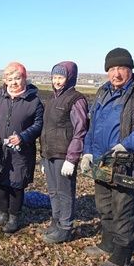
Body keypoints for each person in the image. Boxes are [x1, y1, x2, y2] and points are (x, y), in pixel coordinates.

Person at [80, 48, 134, 266]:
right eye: (111, 69)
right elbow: (92, 126)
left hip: (126, 160)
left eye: (121, 68)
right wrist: (88, 152)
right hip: (101, 160)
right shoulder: (102, 92)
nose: (116, 73)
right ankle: (108, 242)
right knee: (104, 205)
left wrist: (127, 144)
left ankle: (122, 254)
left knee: (122, 208)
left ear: (130, 69)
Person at [0, 61, 44, 233]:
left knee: (16, 184)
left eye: (17, 78)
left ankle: (14, 217)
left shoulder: (34, 101)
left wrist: (23, 137)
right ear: (5, 80)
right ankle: (2, 213)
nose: (14, 82)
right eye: (10, 79)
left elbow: (39, 124)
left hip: (21, 151)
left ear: (24, 78)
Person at [40, 61, 89, 243]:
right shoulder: (51, 99)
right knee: (53, 191)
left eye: (60, 77)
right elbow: (46, 129)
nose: (57, 81)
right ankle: (56, 221)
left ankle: (66, 227)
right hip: (49, 154)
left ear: (70, 78)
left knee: (65, 192)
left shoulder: (76, 99)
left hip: (64, 154)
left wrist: (72, 157)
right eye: (54, 77)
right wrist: (43, 156)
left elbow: (80, 129)